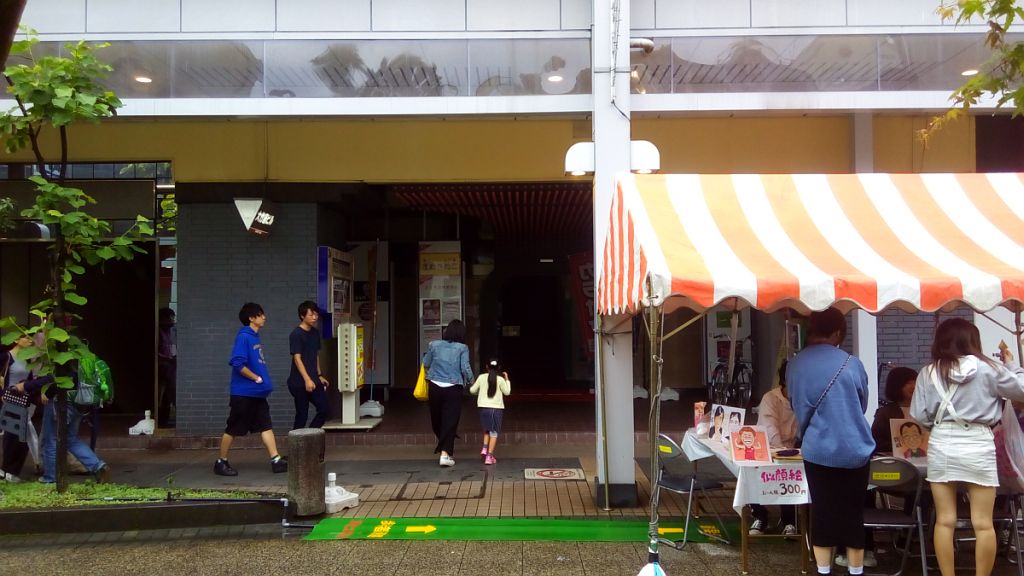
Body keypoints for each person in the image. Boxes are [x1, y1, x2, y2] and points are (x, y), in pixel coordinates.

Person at [909, 318, 1024, 576]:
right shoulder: (990, 369)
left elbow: (918, 414)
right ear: (973, 340)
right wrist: (1012, 365)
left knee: (945, 520)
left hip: (942, 442)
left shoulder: (928, 372)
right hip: (979, 442)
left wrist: (938, 425)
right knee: (983, 523)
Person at [788, 308, 874, 576]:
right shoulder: (852, 363)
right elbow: (862, 404)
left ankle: (823, 571)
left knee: (823, 512)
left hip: (817, 449)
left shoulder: (795, 364)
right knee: (853, 514)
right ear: (837, 332)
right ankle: (856, 571)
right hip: (856, 449)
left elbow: (796, 405)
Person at [214, 303, 287, 476]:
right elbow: (237, 363)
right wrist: (256, 378)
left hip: (257, 394)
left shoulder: (255, 337)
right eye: (260, 315)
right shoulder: (244, 337)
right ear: (251, 318)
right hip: (243, 394)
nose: (264, 317)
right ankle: (221, 462)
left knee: (266, 425)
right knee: (233, 428)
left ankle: (276, 460)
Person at [36, 358, 111, 484]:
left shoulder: (59, 356)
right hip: (79, 402)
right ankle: (98, 466)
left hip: (59, 401)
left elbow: (55, 380)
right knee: (71, 439)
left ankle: (50, 478)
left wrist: (44, 392)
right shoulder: (81, 356)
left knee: (51, 440)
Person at [749, 360, 797, 537]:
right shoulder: (771, 398)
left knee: (792, 476)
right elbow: (770, 429)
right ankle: (760, 515)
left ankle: (790, 520)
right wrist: (784, 452)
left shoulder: (804, 397)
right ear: (785, 380)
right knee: (750, 472)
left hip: (793, 448)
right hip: (766, 447)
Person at [422, 319, 473, 467]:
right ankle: (445, 453)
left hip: (435, 386)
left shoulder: (434, 345)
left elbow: (426, 363)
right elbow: (465, 368)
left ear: (447, 331)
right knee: (450, 420)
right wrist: (471, 381)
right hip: (453, 388)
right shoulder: (463, 348)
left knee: (437, 420)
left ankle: (444, 449)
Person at [1, 335, 45, 482]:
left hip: (23, 401)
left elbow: (30, 381)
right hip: (9, 401)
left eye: (30, 337)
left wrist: (37, 395)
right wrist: (2, 394)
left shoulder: (27, 359)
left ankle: (11, 471)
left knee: (21, 437)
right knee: (12, 436)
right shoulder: (6, 357)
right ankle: (8, 471)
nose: (30, 340)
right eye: (25, 337)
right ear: (16, 340)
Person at [287, 300, 330, 430]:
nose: (314, 317)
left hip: (314, 379)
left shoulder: (315, 333)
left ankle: (310, 435)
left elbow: (315, 355)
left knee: (324, 409)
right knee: (302, 415)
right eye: (311, 315)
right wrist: (307, 379)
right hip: (299, 382)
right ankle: (296, 441)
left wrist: (319, 375)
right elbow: (297, 359)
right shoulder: (296, 334)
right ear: (302, 316)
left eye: (316, 314)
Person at [469, 359, 511, 465]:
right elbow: (507, 392)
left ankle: (484, 448)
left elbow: (472, 390)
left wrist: (480, 392)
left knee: (487, 428)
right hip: (496, 409)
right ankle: (489, 456)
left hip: (483, 408)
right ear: (499, 368)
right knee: (494, 432)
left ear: (486, 367)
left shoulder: (481, 377)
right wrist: (507, 379)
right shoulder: (500, 379)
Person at [870, 367, 918, 454]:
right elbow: (876, 442)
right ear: (896, 386)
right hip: (894, 460)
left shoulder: (925, 410)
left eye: (916, 382)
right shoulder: (884, 413)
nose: (914, 386)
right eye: (908, 383)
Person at [157, 307, 177, 427]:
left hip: (169, 367)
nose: (172, 321)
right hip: (162, 368)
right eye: (170, 318)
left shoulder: (169, 332)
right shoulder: (158, 333)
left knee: (167, 397)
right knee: (163, 394)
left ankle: (164, 420)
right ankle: (161, 421)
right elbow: (157, 353)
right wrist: (168, 359)